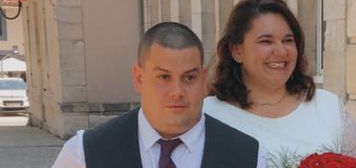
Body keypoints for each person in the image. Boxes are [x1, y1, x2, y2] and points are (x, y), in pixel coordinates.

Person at [52, 22, 262, 168]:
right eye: (163, 77)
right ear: (139, 78)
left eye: (189, 78)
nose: (176, 92)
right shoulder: (85, 154)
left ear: (203, 79)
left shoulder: (247, 156)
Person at [203, 0, 356, 167]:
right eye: (266, 41)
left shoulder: (327, 107)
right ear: (236, 51)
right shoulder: (209, 115)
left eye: (288, 41)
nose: (281, 51)